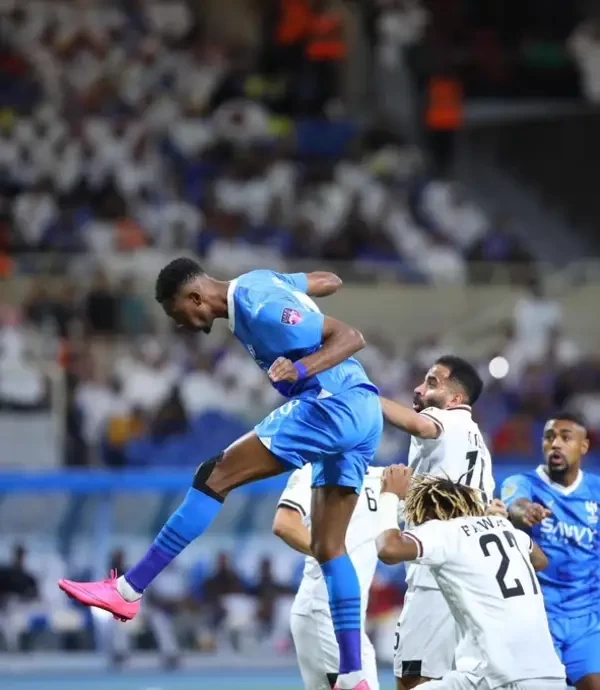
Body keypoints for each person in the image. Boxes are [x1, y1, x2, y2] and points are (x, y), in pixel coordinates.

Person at [59, 258, 383, 690]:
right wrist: (310, 292)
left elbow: (350, 336)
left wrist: (300, 369)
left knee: (215, 474)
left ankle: (127, 592)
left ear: (196, 297)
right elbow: (328, 280)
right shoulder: (260, 280)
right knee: (329, 546)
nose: (184, 324)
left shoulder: (259, 306)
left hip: (331, 406)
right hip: (364, 412)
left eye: (180, 314)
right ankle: (354, 677)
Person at [377, 466, 567, 690]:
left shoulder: (443, 530)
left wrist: (389, 495)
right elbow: (540, 560)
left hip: (498, 677)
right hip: (550, 674)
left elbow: (388, 549)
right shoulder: (505, 527)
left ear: (428, 514)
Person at [379, 356, 496, 689]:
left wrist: (359, 393)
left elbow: (420, 425)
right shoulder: (479, 446)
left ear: (456, 399)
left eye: (432, 382)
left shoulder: (446, 420)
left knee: (413, 680)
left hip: (436, 575)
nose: (419, 389)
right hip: (471, 574)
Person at [501, 413, 600, 690]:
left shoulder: (595, 491)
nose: (555, 444)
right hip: (539, 616)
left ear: (583, 446)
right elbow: (515, 505)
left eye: (565, 438)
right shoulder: (523, 483)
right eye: (549, 437)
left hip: (588, 618)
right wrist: (525, 511)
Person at [273, 463, 383, 690]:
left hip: (352, 620)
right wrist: (335, 559)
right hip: (322, 609)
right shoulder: (315, 471)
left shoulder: (383, 478)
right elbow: (285, 523)